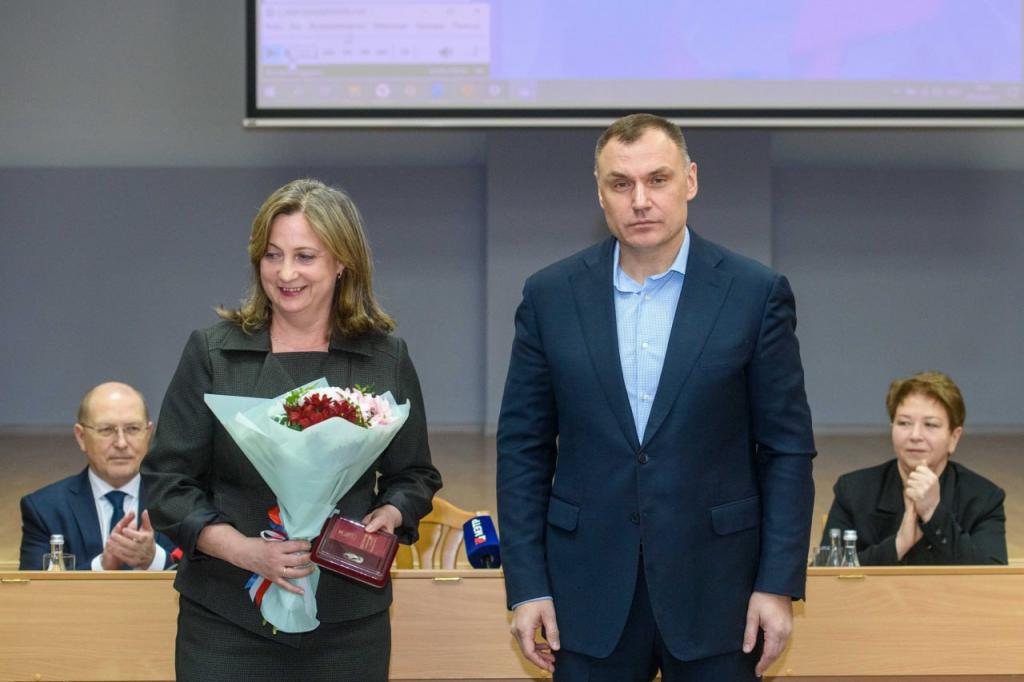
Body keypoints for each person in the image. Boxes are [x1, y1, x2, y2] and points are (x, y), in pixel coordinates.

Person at [496, 113, 816, 681]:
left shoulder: (754, 294)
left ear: (690, 180)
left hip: (720, 592)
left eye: (657, 180)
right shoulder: (550, 295)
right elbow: (523, 448)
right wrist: (527, 586)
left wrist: (776, 584)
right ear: (600, 193)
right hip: (584, 593)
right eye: (621, 184)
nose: (640, 200)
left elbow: (786, 449)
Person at [142, 178, 442, 681]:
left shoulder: (384, 357)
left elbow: (414, 475)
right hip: (226, 616)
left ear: (341, 262)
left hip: (347, 621)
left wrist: (391, 512)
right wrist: (244, 551)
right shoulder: (213, 354)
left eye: (305, 257)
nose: (285, 273)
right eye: (272, 255)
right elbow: (166, 483)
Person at [822, 371, 1006, 565]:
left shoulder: (984, 498)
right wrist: (898, 545)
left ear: (954, 437)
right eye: (904, 423)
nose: (915, 435)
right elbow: (825, 573)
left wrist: (933, 514)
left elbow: (992, 574)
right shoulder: (854, 490)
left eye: (930, 425)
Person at [19, 381, 176, 571]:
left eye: (133, 429)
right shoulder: (45, 508)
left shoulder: (179, 500)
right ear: (81, 437)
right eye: (106, 430)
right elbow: (35, 585)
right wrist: (101, 566)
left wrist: (155, 560)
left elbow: (202, 576)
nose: (121, 443)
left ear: (148, 434)